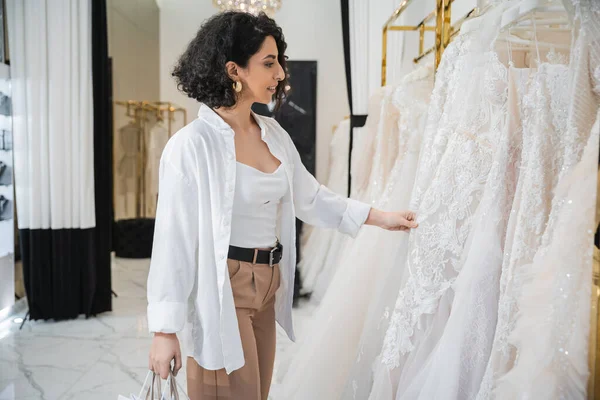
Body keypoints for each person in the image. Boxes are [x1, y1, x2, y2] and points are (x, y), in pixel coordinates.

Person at [146, 11, 418, 400]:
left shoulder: (271, 132)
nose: (280, 75)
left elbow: (310, 196)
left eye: (280, 63)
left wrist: (379, 217)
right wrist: (163, 330)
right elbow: (172, 238)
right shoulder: (191, 146)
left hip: (268, 286)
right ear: (233, 69)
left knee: (257, 394)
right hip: (227, 287)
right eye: (269, 63)